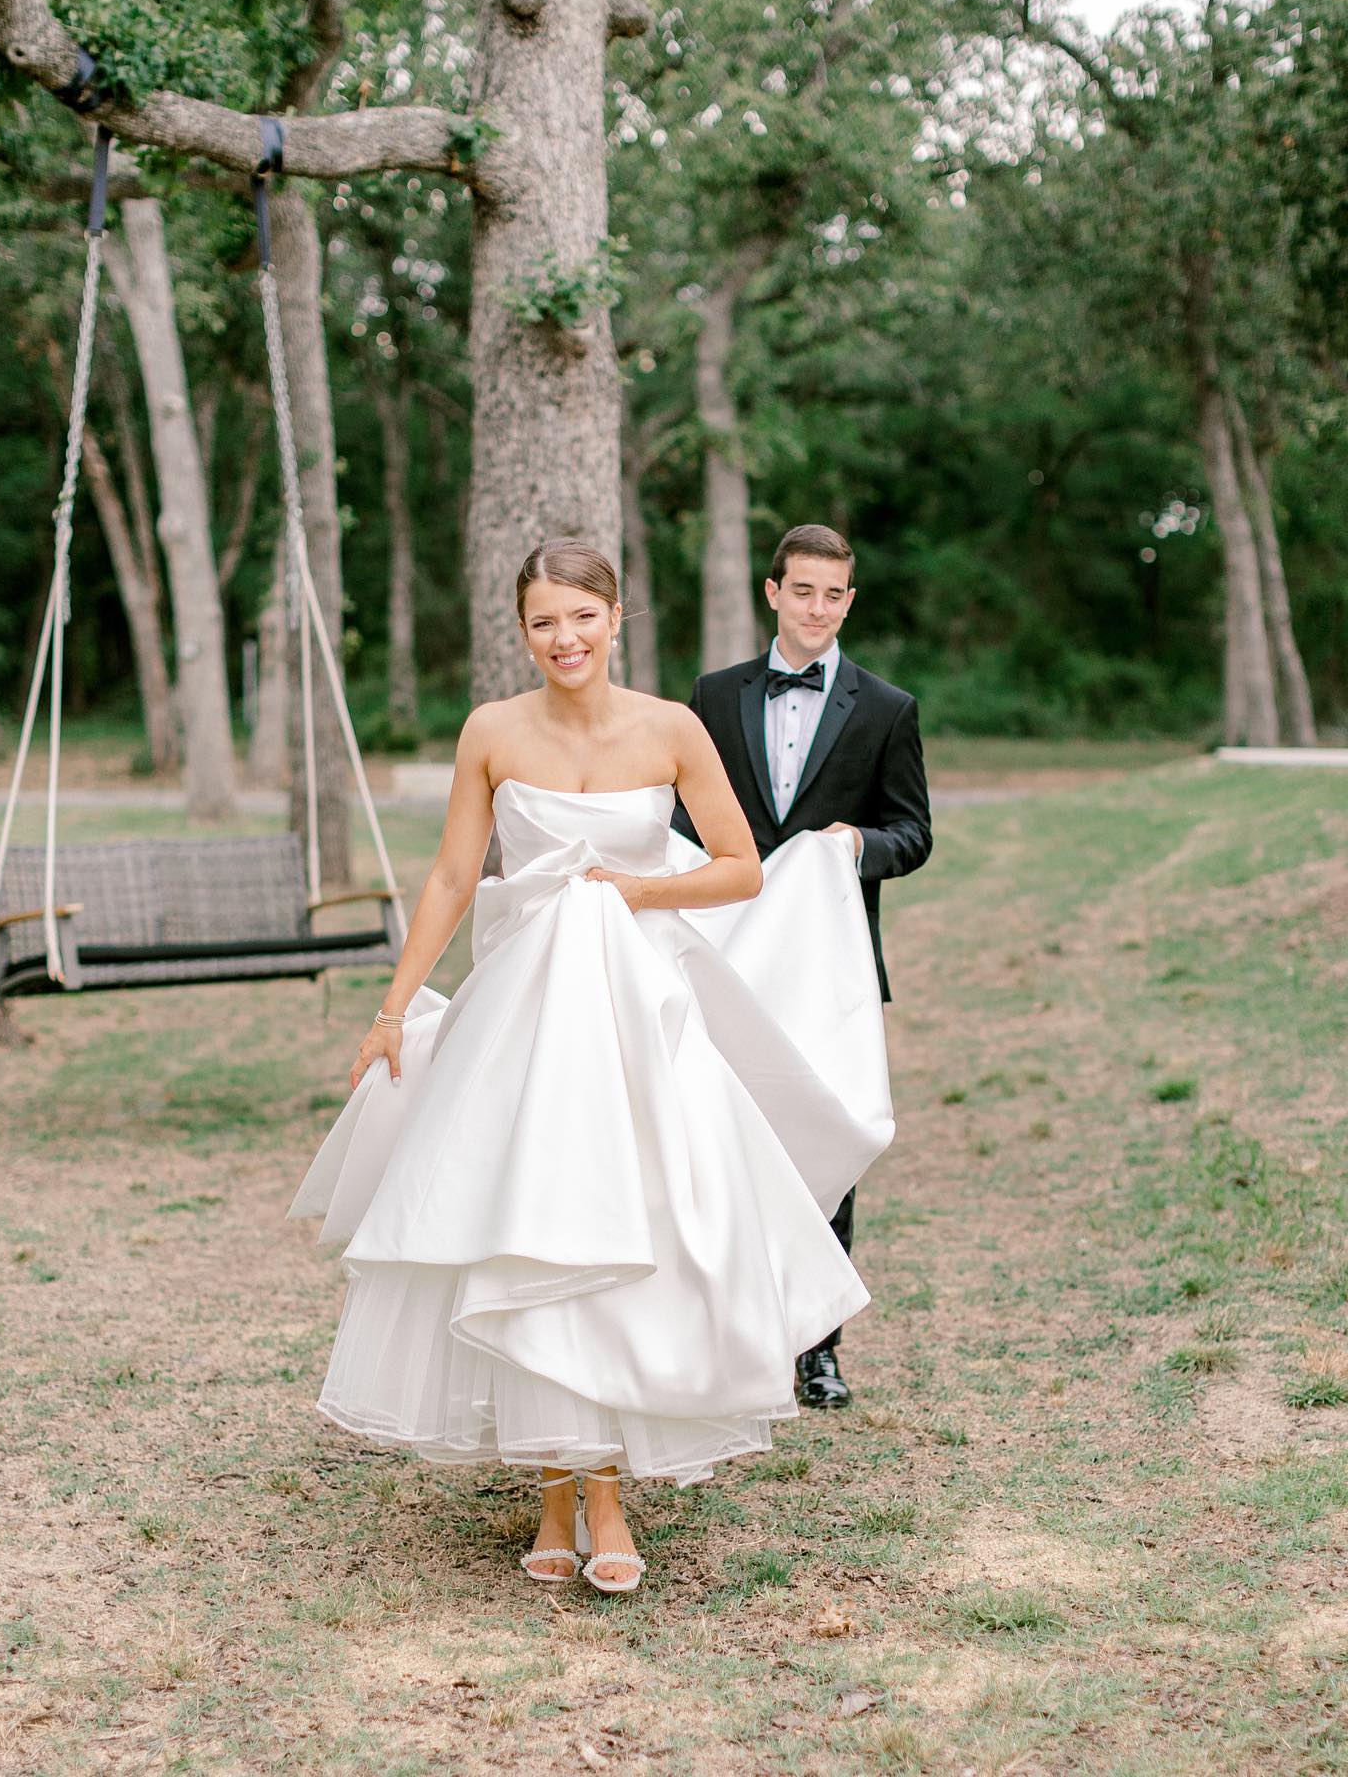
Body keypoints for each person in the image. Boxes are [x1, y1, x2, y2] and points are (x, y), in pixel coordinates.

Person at [290, 539, 894, 1594]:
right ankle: (555, 1492)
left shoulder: (671, 728)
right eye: (541, 623)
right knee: (530, 1234)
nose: (563, 640)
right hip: (520, 1018)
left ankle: (607, 1495)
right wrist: (393, 1010)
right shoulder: (492, 732)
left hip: (631, 1012)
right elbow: (447, 877)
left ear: (614, 619)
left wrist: (629, 889)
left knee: (627, 1233)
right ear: (520, 632)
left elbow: (738, 866)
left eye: (581, 617)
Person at [671, 524, 931, 1411]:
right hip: (726, 955)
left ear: (848, 602)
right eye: (803, 590)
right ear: (772, 591)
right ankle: (719, 1329)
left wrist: (853, 845)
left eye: (835, 594)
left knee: (825, 1135)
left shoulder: (888, 708)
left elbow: (914, 833)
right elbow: (679, 821)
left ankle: (818, 1349)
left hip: (827, 968)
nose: (818, 608)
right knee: (713, 1134)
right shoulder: (712, 696)